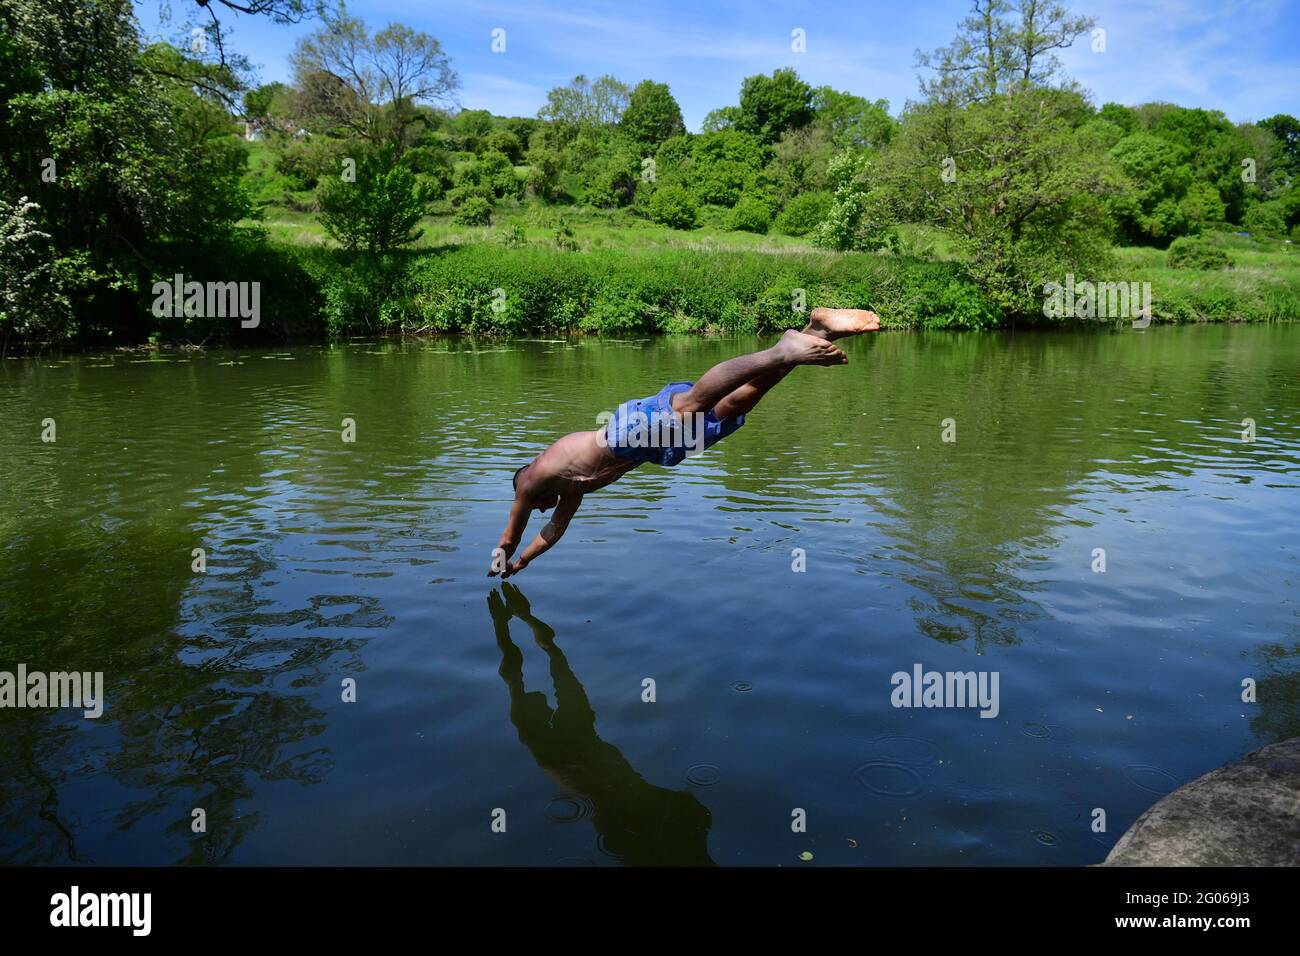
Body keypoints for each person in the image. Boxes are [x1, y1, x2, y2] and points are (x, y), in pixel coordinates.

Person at [488, 308, 881, 578]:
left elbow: (510, 533)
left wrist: (501, 557)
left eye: (536, 506)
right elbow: (555, 530)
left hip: (625, 433)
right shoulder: (568, 490)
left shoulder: (532, 479)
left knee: (694, 403)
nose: (540, 508)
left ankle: (782, 348)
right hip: (657, 451)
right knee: (733, 406)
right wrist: (522, 563)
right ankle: (816, 331)